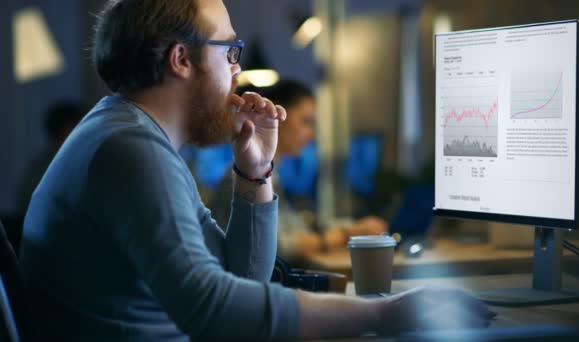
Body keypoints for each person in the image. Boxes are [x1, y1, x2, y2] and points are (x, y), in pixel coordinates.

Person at [20, 0, 493, 341]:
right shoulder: (128, 148)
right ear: (181, 59)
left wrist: (255, 171)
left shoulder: (134, 137)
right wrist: (387, 315)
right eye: (229, 52)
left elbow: (242, 280)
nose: (237, 72)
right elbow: (214, 312)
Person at [209, 80, 388, 261]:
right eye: (306, 122)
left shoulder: (270, 173)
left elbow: (292, 228)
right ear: (276, 115)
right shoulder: (243, 177)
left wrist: (351, 228)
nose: (312, 134)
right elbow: (281, 246)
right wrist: (346, 234)